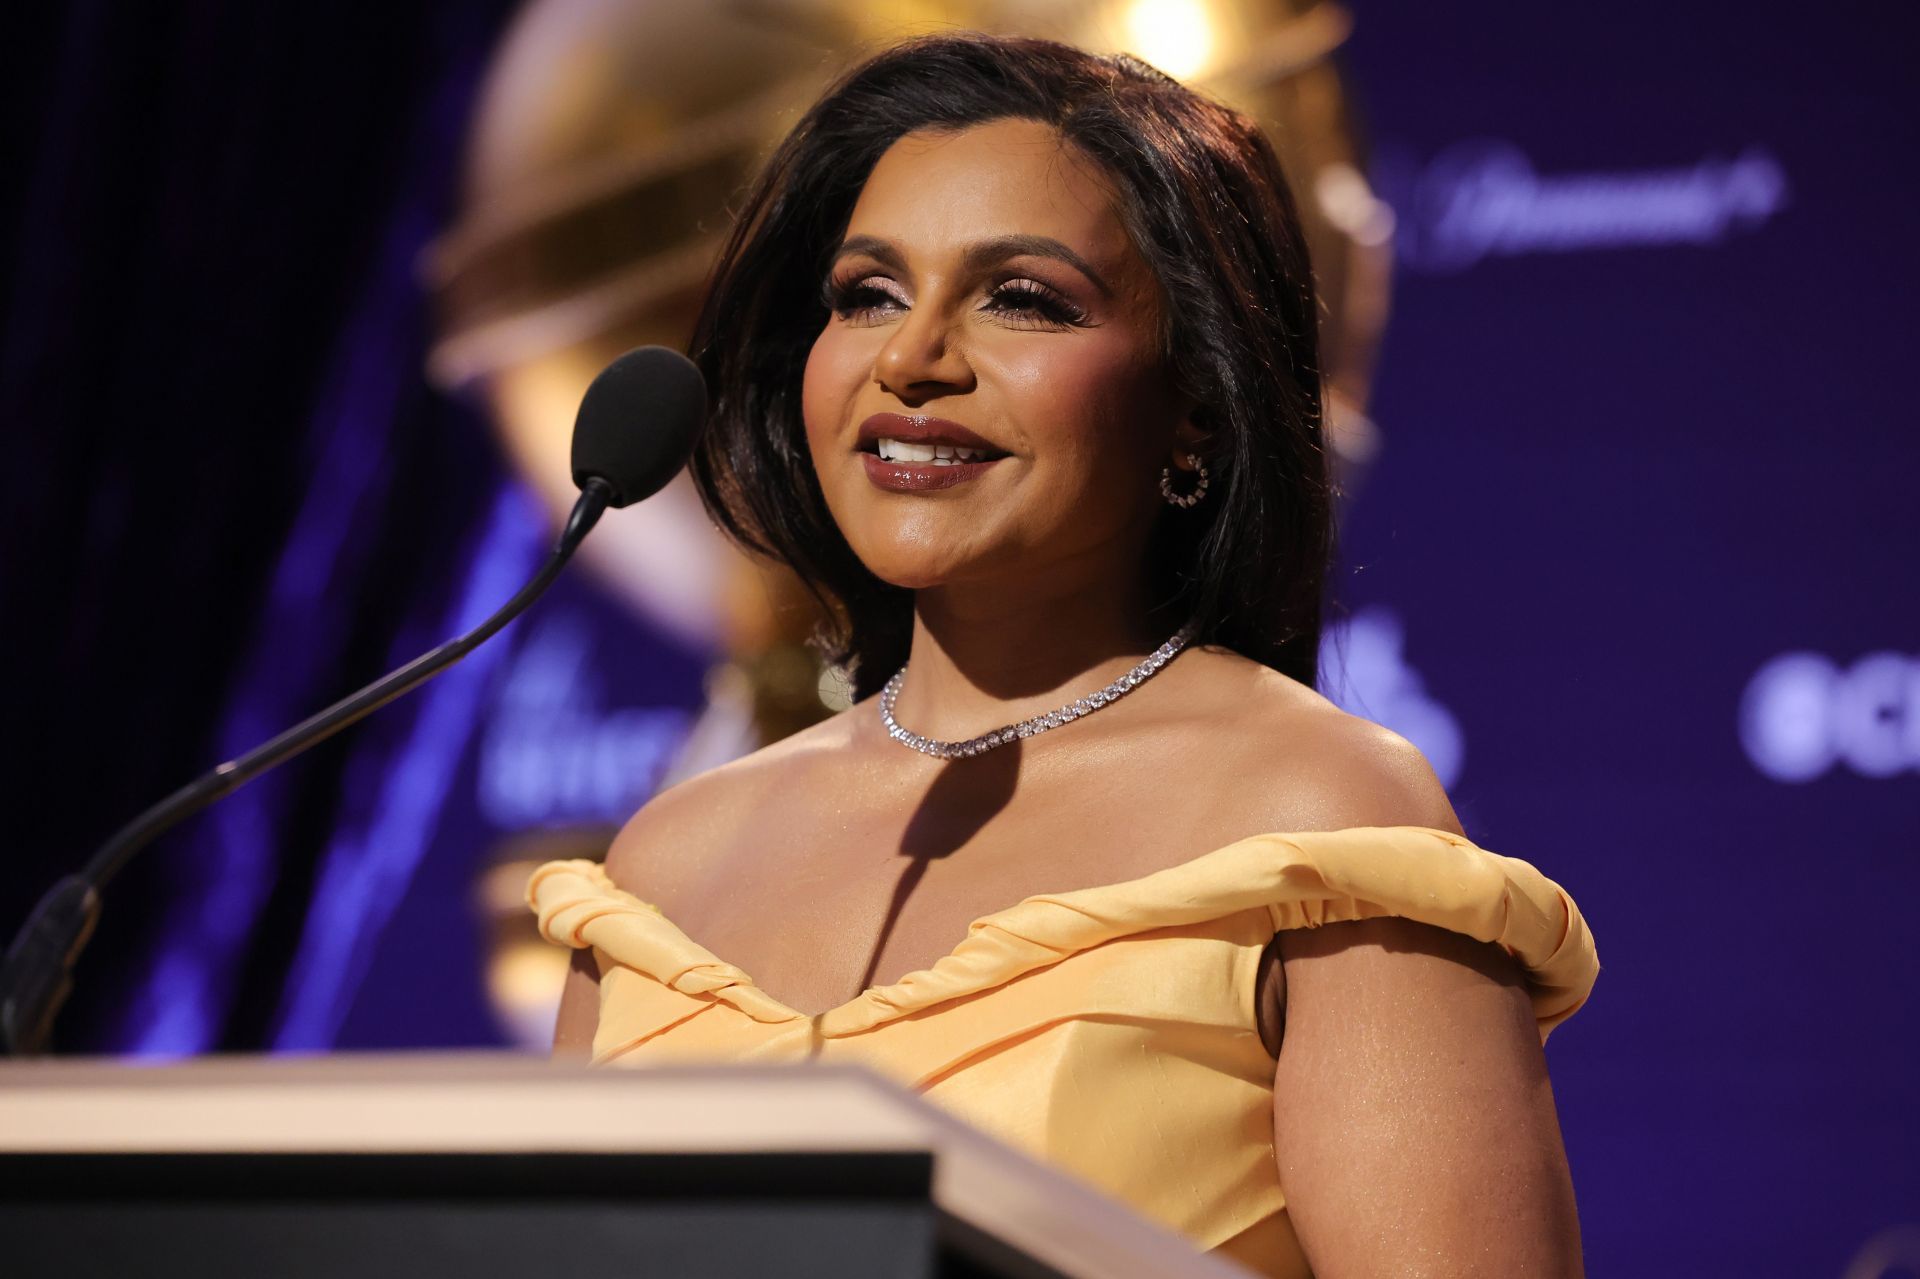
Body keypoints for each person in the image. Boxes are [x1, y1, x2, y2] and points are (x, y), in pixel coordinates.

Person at [531, 31, 1598, 1278]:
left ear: (1195, 397)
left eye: (1021, 298)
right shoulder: (669, 862)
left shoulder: (1318, 826)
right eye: (867, 294)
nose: (912, 360)